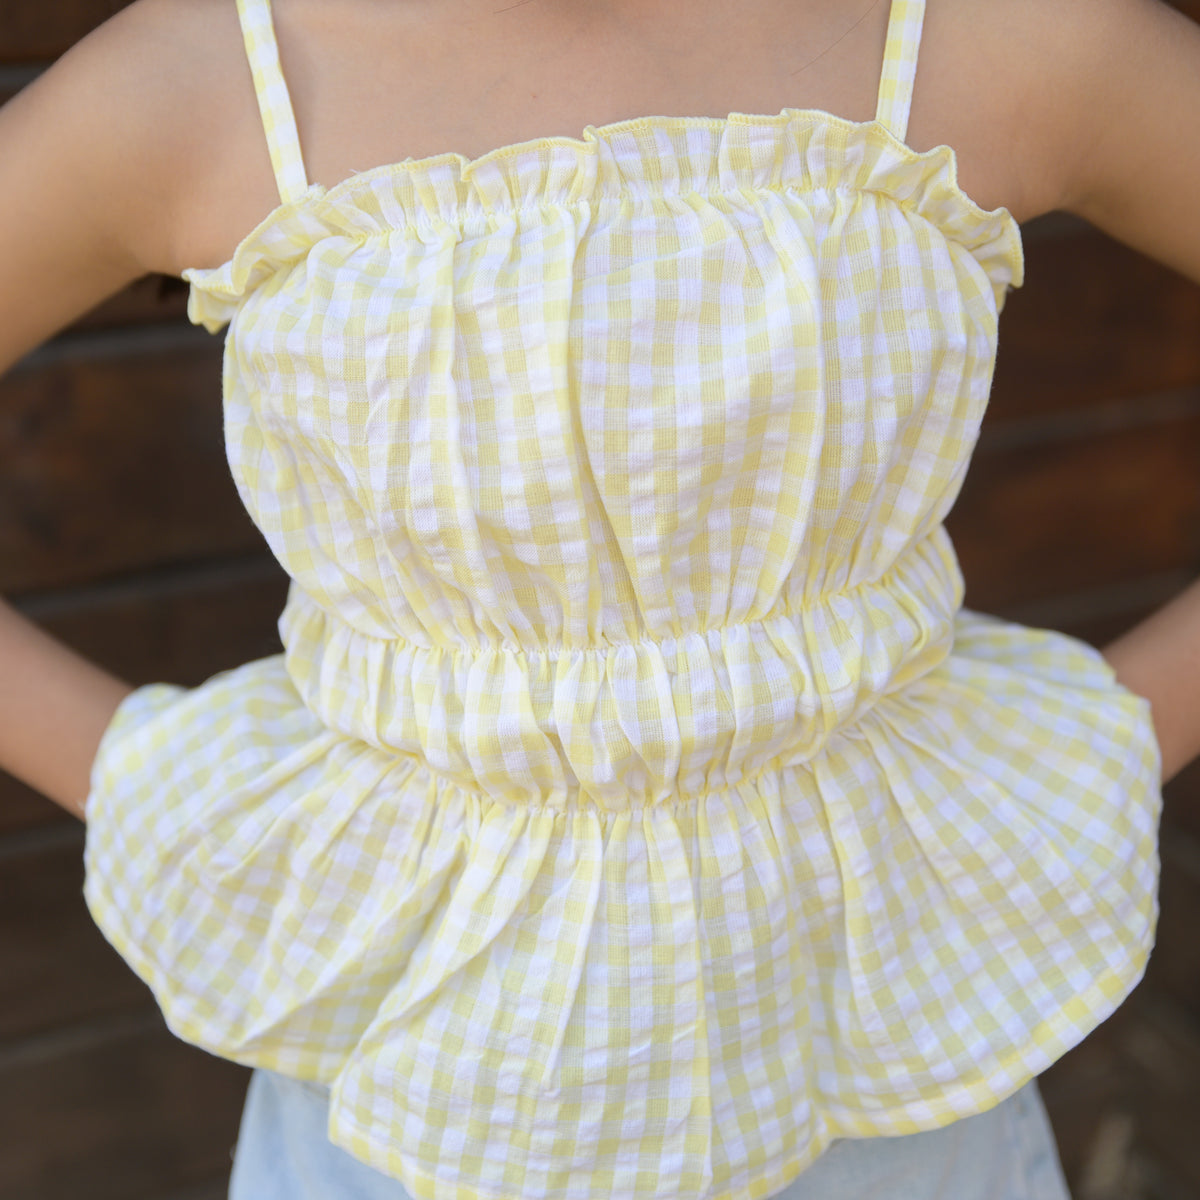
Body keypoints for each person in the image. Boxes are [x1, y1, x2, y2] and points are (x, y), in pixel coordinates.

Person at [1, 0, 1198, 1195]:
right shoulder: (203, 77)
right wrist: (143, 778)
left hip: (903, 1080)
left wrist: (1101, 742)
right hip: (410, 1099)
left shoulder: (999, 36)